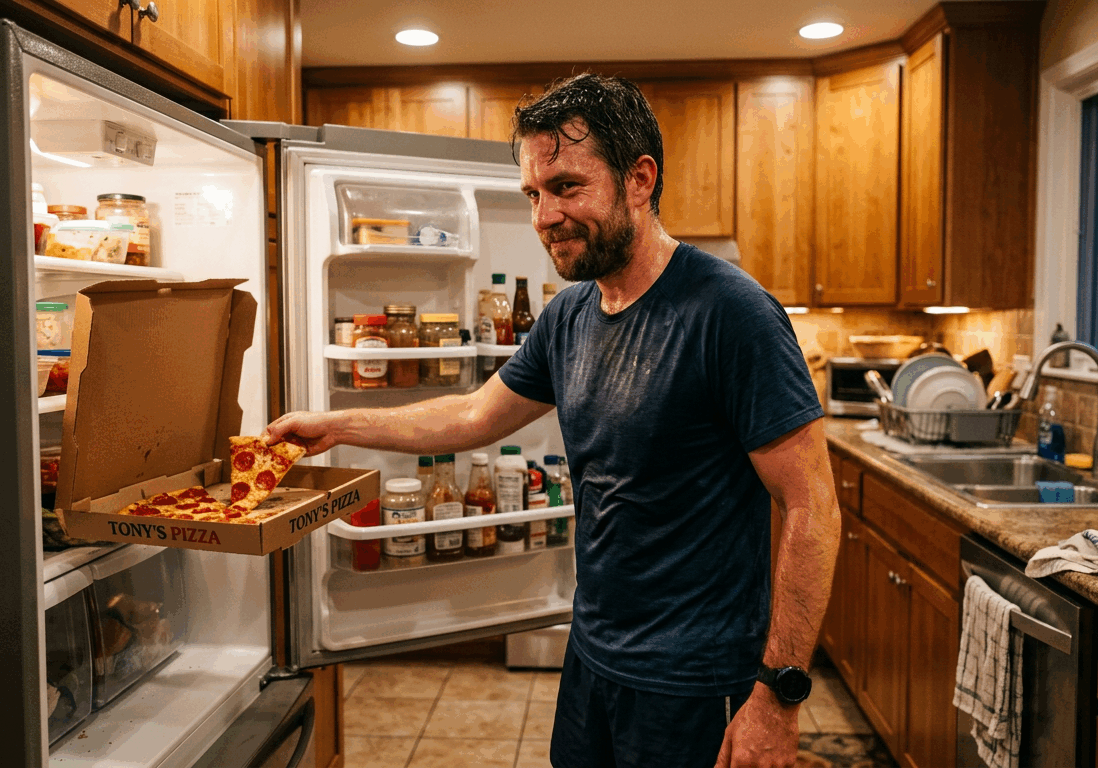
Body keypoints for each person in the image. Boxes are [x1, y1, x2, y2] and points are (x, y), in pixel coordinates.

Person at [264, 73, 841, 768]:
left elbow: (812, 506)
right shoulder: (570, 316)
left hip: (697, 682)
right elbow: (475, 413)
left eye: (567, 187)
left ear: (640, 179)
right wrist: (337, 427)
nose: (544, 216)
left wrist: (778, 695)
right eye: (533, 195)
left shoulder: (731, 314)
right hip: (593, 657)